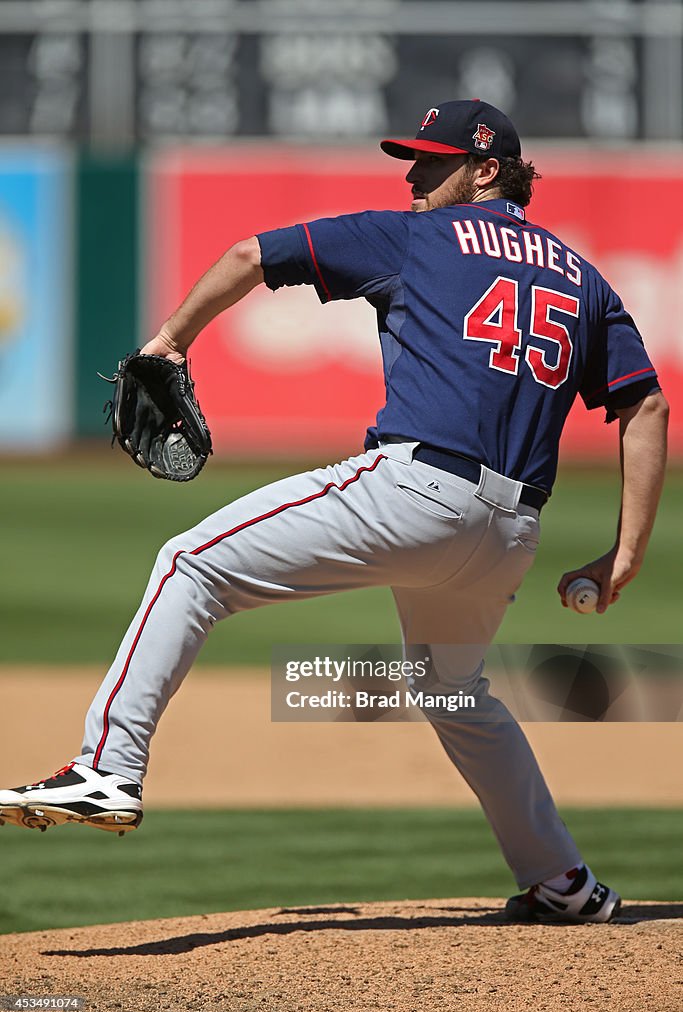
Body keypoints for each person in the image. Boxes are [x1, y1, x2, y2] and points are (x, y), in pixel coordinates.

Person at [0, 100, 668, 923]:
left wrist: (167, 342)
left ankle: (107, 767)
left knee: (191, 563)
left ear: (486, 169)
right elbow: (645, 408)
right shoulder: (581, 276)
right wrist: (625, 552)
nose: (412, 176)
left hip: (417, 491)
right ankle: (562, 881)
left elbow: (252, 251)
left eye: (431, 161)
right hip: (509, 535)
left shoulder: (419, 237)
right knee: (454, 690)